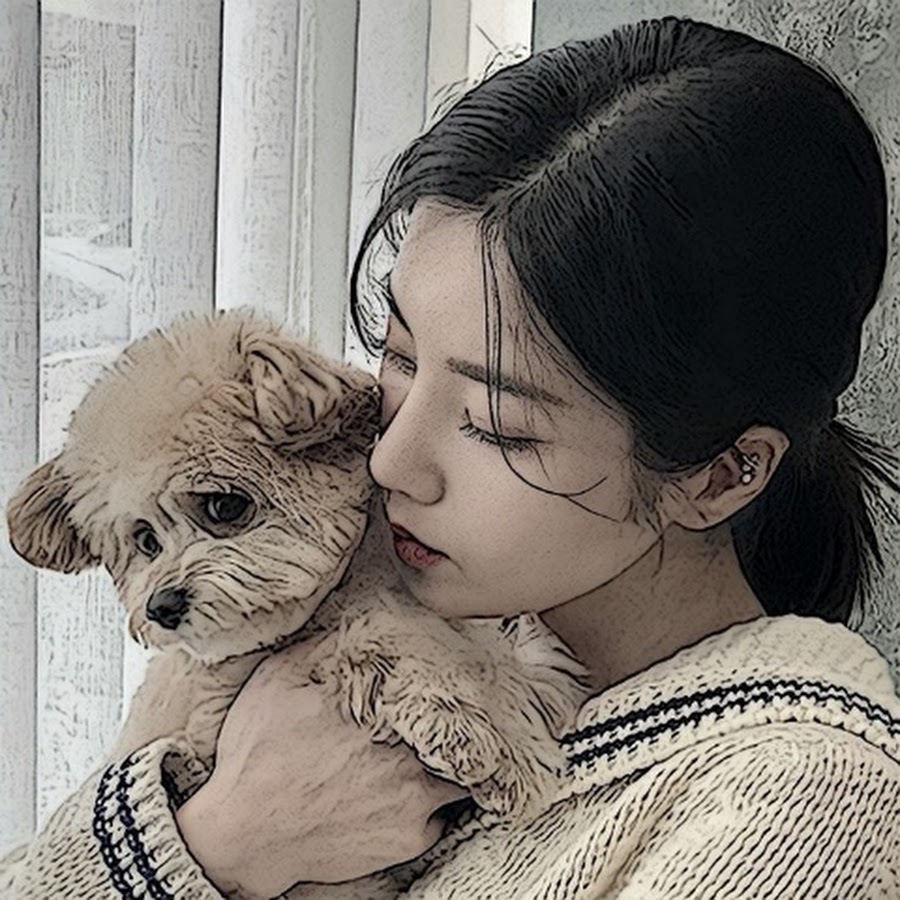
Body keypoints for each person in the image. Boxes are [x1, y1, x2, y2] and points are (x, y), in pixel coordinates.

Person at [3, 14, 899, 899]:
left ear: (719, 474)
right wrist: (219, 840)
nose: (391, 459)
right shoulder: (367, 627)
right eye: (397, 355)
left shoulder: (800, 804)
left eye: (496, 423)